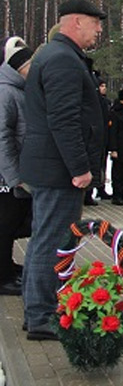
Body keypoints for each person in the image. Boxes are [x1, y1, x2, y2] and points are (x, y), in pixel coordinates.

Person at [20, 0, 107, 341]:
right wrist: (80, 168)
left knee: (45, 238)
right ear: (75, 22)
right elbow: (64, 120)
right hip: (59, 170)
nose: (99, 30)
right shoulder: (62, 60)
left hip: (51, 167)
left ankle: (37, 309)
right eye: (94, 23)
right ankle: (42, 315)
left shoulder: (56, 55)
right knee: (53, 241)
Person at [0, 37, 33, 296]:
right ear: (17, 67)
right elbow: (2, 137)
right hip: (6, 175)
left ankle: (7, 267)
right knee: (5, 224)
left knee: (12, 223)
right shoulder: (5, 91)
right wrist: (14, 177)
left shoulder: (19, 89)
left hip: (16, 171)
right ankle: (2, 277)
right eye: (30, 63)